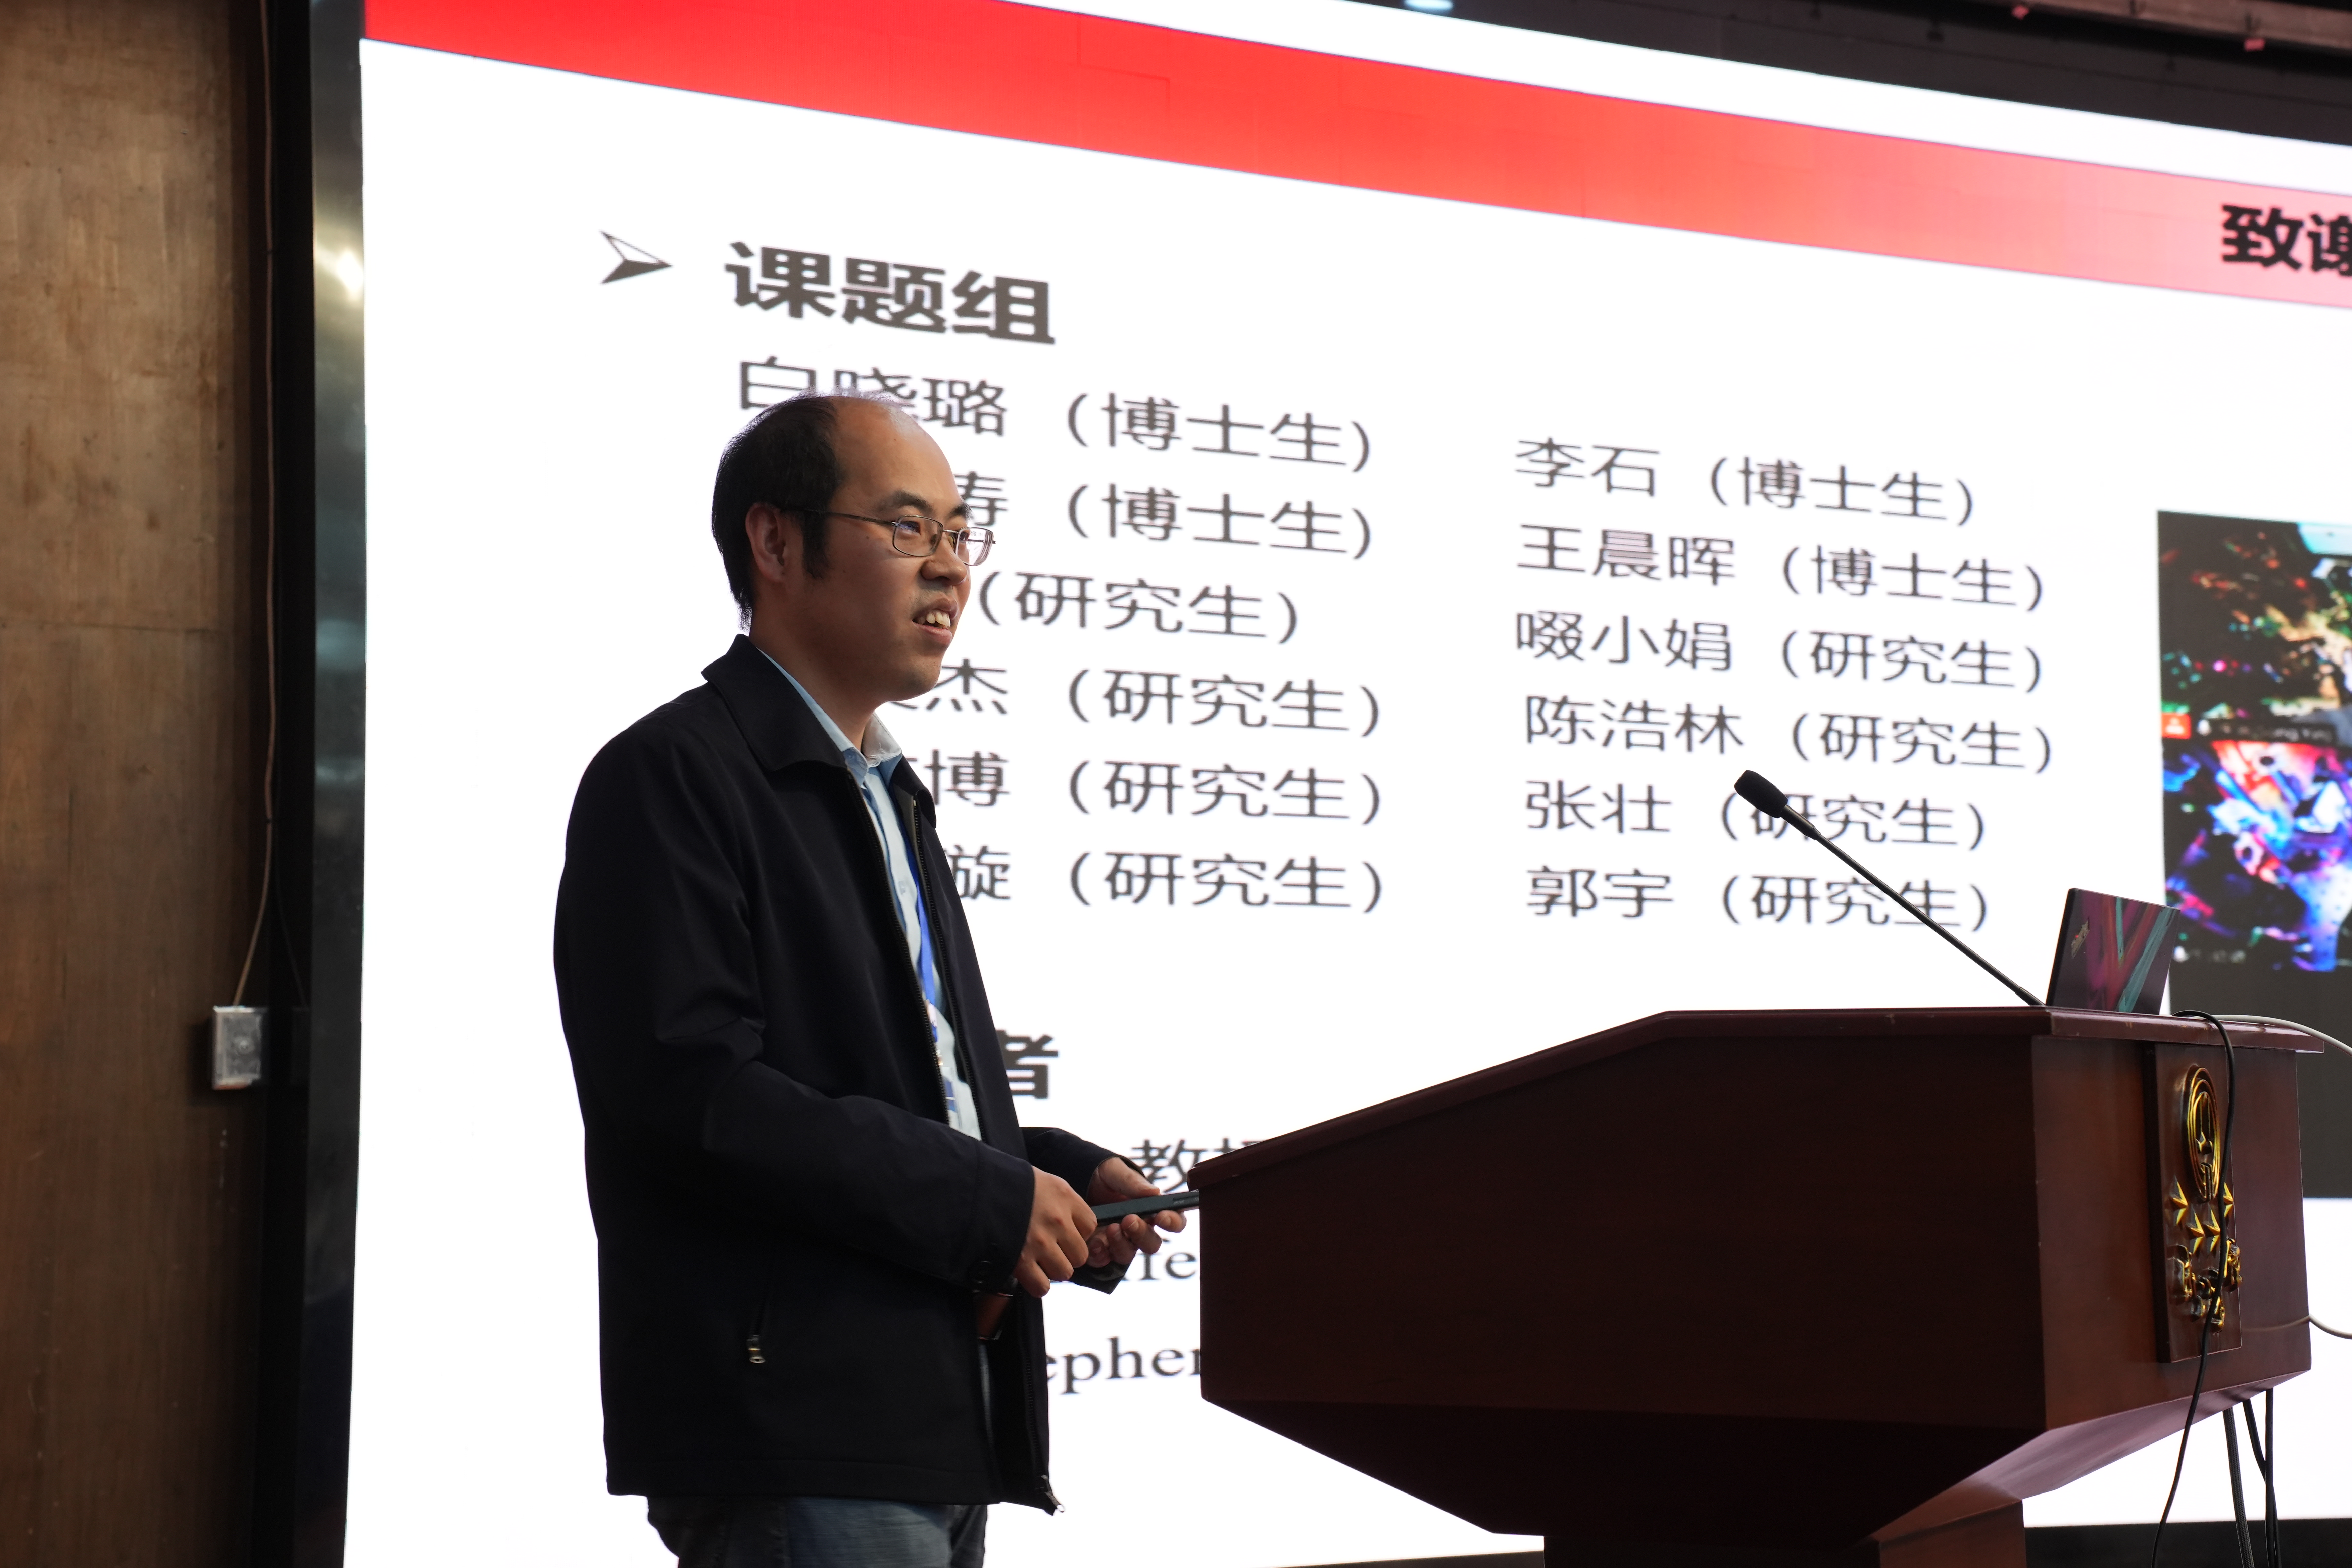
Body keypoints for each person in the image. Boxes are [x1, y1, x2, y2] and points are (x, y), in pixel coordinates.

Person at [553, 392, 1184, 1568]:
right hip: (793, 1425)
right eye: (906, 529)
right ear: (775, 542)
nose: (950, 569)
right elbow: (692, 1097)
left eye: (960, 533)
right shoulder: (674, 776)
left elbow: (880, 1079)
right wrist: (985, 1199)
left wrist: (1043, 1170)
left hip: (933, 1412)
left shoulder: (885, 790)